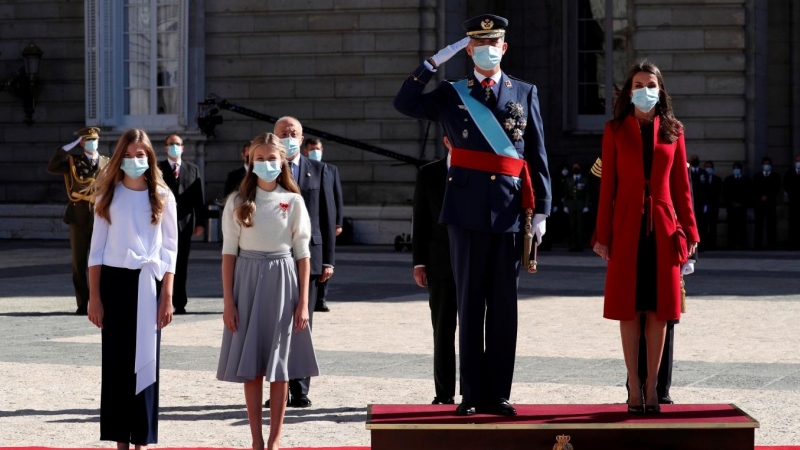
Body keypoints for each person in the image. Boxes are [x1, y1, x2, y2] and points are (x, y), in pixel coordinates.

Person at [394, 14, 552, 417]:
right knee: (469, 303)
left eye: (493, 43)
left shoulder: (524, 91)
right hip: (463, 211)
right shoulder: (451, 92)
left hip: (508, 210)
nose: (486, 49)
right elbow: (405, 103)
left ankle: (498, 393)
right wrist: (430, 64)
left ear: (504, 48)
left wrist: (542, 209)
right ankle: (471, 394)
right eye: (477, 44)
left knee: (503, 306)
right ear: (468, 50)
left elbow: (536, 152)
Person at [594, 60, 699, 415]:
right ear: (629, 90)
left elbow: (682, 187)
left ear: (660, 89)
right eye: (638, 84)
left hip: (665, 228)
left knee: (659, 311)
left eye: (650, 84)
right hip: (626, 228)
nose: (644, 90)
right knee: (629, 308)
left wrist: (691, 231)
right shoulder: (614, 130)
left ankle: (653, 387)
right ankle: (633, 387)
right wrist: (601, 233)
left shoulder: (674, 131)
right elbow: (607, 187)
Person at [217, 132, 319, 450]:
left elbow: (303, 253)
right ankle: (256, 440)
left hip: (283, 280)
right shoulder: (237, 202)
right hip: (246, 281)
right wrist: (228, 302)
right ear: (249, 162)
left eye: (271, 158)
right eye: (258, 159)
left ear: (282, 161)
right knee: (252, 365)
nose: (265, 164)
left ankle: (274, 439)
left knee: (279, 365)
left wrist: (303, 302)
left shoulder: (293, 201)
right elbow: (228, 254)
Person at [86, 128, 178, 447]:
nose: (134, 160)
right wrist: (94, 297)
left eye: (141, 154)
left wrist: (167, 298)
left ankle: (142, 438)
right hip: (114, 283)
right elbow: (96, 250)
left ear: (150, 157)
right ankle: (119, 440)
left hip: (148, 284)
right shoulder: (108, 195)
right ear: (119, 157)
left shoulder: (163, 196)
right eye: (128, 154)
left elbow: (170, 250)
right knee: (115, 363)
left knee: (146, 361)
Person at [269, 117, 335, 408]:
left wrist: (329, 261)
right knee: (275, 323)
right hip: (274, 256)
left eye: (293, 132)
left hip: (309, 255)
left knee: (302, 320)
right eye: (283, 133)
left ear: (302, 135)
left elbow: (327, 216)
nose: (288, 136)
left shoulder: (319, 170)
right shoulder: (267, 169)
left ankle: (300, 388)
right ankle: (278, 388)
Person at [413, 135, 458, 405]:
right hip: (440, 264)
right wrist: (419, 262)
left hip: (473, 265)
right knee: (442, 331)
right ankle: (444, 393)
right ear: (445, 140)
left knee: (474, 331)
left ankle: (473, 391)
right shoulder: (429, 173)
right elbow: (421, 219)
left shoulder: (478, 171)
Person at [47, 127, 109, 315]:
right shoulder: (73, 162)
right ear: (82, 143)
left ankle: (102, 302)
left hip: (101, 217)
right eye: (88, 140)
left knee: (102, 262)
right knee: (79, 263)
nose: (92, 143)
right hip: (79, 217)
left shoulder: (107, 162)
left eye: (95, 139)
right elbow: (52, 167)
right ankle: (83, 304)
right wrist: (68, 148)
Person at [158, 134, 206, 314]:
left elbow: (198, 198)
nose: (174, 147)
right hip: (162, 223)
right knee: (163, 261)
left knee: (181, 264)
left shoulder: (192, 169)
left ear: (183, 148)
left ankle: (180, 302)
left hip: (184, 224)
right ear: (165, 147)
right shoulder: (158, 168)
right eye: (170, 144)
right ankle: (162, 298)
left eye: (177, 144)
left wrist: (200, 222)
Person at [302, 137, 344, 313]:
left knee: (323, 263)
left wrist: (338, 221)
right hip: (308, 222)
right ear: (306, 150)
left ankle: (322, 298)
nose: (315, 152)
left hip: (323, 222)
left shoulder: (329, 169)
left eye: (318, 149)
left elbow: (336, 198)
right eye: (312, 149)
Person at [752, 156, 781, 250]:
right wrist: (761, 196)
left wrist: (767, 196)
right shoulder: (757, 176)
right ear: (762, 165)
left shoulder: (776, 176)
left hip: (771, 203)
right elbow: (754, 189)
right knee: (759, 224)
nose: (766, 165)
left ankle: (771, 244)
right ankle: (758, 244)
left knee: (771, 225)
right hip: (759, 204)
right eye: (765, 164)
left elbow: (776, 188)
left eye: (768, 164)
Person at [723, 162, 752, 249]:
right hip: (731, 206)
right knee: (731, 226)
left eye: (738, 168)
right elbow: (726, 193)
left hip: (742, 207)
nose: (736, 169)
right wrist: (732, 203)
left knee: (742, 226)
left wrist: (741, 203)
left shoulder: (746, 180)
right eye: (735, 168)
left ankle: (743, 244)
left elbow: (748, 193)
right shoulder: (728, 179)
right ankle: (731, 244)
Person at [564, 163, 592, 251]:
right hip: (571, 204)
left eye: (577, 167)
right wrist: (565, 205)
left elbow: (588, 194)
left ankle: (580, 245)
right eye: (574, 167)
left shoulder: (584, 180)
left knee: (580, 226)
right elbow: (565, 194)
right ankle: (573, 245)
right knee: (572, 225)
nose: (576, 169)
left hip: (581, 204)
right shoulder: (568, 180)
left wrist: (587, 205)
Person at [698, 161, 722, 251]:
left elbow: (718, 193)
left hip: (713, 206)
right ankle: (703, 244)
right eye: (707, 167)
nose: (709, 168)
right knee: (703, 226)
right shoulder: (700, 178)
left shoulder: (717, 179)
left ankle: (713, 244)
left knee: (713, 226)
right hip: (703, 206)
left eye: (710, 167)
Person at [783, 155, 800, 250]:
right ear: (794, 162)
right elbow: (786, 186)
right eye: (797, 161)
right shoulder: (789, 173)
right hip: (793, 201)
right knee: (793, 223)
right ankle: (793, 243)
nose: (798, 163)